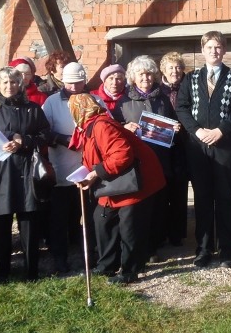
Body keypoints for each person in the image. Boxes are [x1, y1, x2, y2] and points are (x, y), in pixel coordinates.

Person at [71, 93, 166, 284]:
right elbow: (94, 157)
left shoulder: (101, 126)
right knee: (102, 219)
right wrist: (85, 175)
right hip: (117, 182)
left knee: (130, 226)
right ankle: (107, 266)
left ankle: (130, 271)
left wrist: (96, 174)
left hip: (137, 181)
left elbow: (122, 155)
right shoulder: (89, 128)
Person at [176, 31, 231, 268]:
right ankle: (204, 248)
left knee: (225, 198)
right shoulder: (191, 78)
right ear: (203, 50)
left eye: (218, 47)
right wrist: (197, 131)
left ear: (224, 50)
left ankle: (228, 249)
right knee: (203, 198)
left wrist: (221, 131)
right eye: (209, 47)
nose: (214, 51)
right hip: (198, 148)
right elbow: (182, 107)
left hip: (224, 146)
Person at [0, 67, 54, 283]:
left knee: (29, 221)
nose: (9, 86)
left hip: (27, 170)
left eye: (13, 82)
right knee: (2, 223)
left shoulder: (32, 108)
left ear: (19, 85)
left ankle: (32, 272)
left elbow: (45, 134)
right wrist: (10, 138)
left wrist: (25, 142)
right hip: (2, 172)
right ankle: (3, 271)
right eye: (4, 83)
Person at [114, 55, 183, 258]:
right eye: (141, 74)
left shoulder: (162, 98)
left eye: (149, 74)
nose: (146, 77)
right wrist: (124, 127)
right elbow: (113, 128)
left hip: (161, 159)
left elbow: (172, 121)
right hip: (136, 162)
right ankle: (138, 246)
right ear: (133, 77)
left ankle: (154, 245)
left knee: (159, 204)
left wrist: (176, 127)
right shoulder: (123, 102)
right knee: (138, 206)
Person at [43, 61, 99, 276]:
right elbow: (43, 131)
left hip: (89, 169)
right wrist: (62, 139)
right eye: (70, 82)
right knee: (60, 217)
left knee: (91, 215)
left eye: (78, 82)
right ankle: (60, 258)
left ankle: (92, 256)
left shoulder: (95, 99)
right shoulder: (51, 103)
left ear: (84, 80)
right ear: (62, 81)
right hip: (62, 168)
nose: (74, 86)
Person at [159, 52, 189, 246]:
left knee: (180, 190)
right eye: (170, 67)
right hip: (162, 146)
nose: (174, 71)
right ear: (163, 70)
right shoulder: (156, 90)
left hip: (184, 144)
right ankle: (161, 232)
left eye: (178, 67)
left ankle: (177, 234)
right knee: (162, 191)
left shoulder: (189, 87)